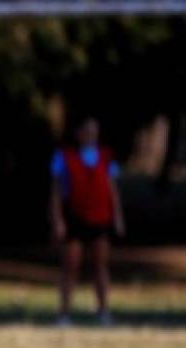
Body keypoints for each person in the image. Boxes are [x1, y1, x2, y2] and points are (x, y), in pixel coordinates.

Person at [49, 116, 126, 326]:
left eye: (95, 131)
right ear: (79, 133)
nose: (91, 135)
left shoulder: (105, 157)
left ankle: (103, 311)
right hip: (75, 217)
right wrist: (57, 219)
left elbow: (113, 189)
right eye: (88, 131)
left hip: (100, 217)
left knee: (100, 266)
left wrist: (118, 217)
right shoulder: (64, 157)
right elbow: (56, 192)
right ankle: (64, 314)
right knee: (70, 266)